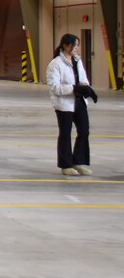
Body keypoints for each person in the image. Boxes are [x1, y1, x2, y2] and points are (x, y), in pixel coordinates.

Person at [46, 33, 97, 176]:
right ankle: (66, 165)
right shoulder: (55, 64)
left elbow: (83, 79)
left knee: (84, 131)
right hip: (64, 105)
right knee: (65, 133)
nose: (77, 48)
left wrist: (86, 88)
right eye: (75, 45)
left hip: (79, 102)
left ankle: (78, 162)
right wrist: (74, 88)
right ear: (65, 45)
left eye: (78, 45)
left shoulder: (77, 61)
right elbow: (55, 88)